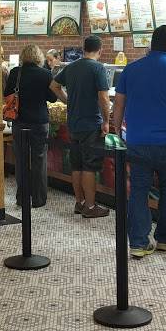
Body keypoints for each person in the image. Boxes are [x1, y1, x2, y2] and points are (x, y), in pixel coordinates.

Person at [112, 25, 166, 258]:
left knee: (138, 191)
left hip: (138, 141)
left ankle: (139, 243)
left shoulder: (131, 69)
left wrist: (118, 130)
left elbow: (118, 104)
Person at [51, 35, 110, 218]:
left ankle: (80, 202)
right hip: (91, 124)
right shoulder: (98, 68)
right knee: (89, 166)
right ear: (100, 50)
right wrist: (106, 121)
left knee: (76, 165)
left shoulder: (71, 67)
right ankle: (90, 207)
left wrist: (68, 102)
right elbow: (103, 97)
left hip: (73, 124)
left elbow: (54, 85)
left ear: (84, 49)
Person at [4, 44, 57, 208]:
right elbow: (53, 98)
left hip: (20, 121)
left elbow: (7, 94)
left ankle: (22, 198)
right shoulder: (45, 74)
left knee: (21, 160)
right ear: (39, 57)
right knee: (39, 160)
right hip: (40, 121)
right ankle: (39, 199)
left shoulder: (15, 73)